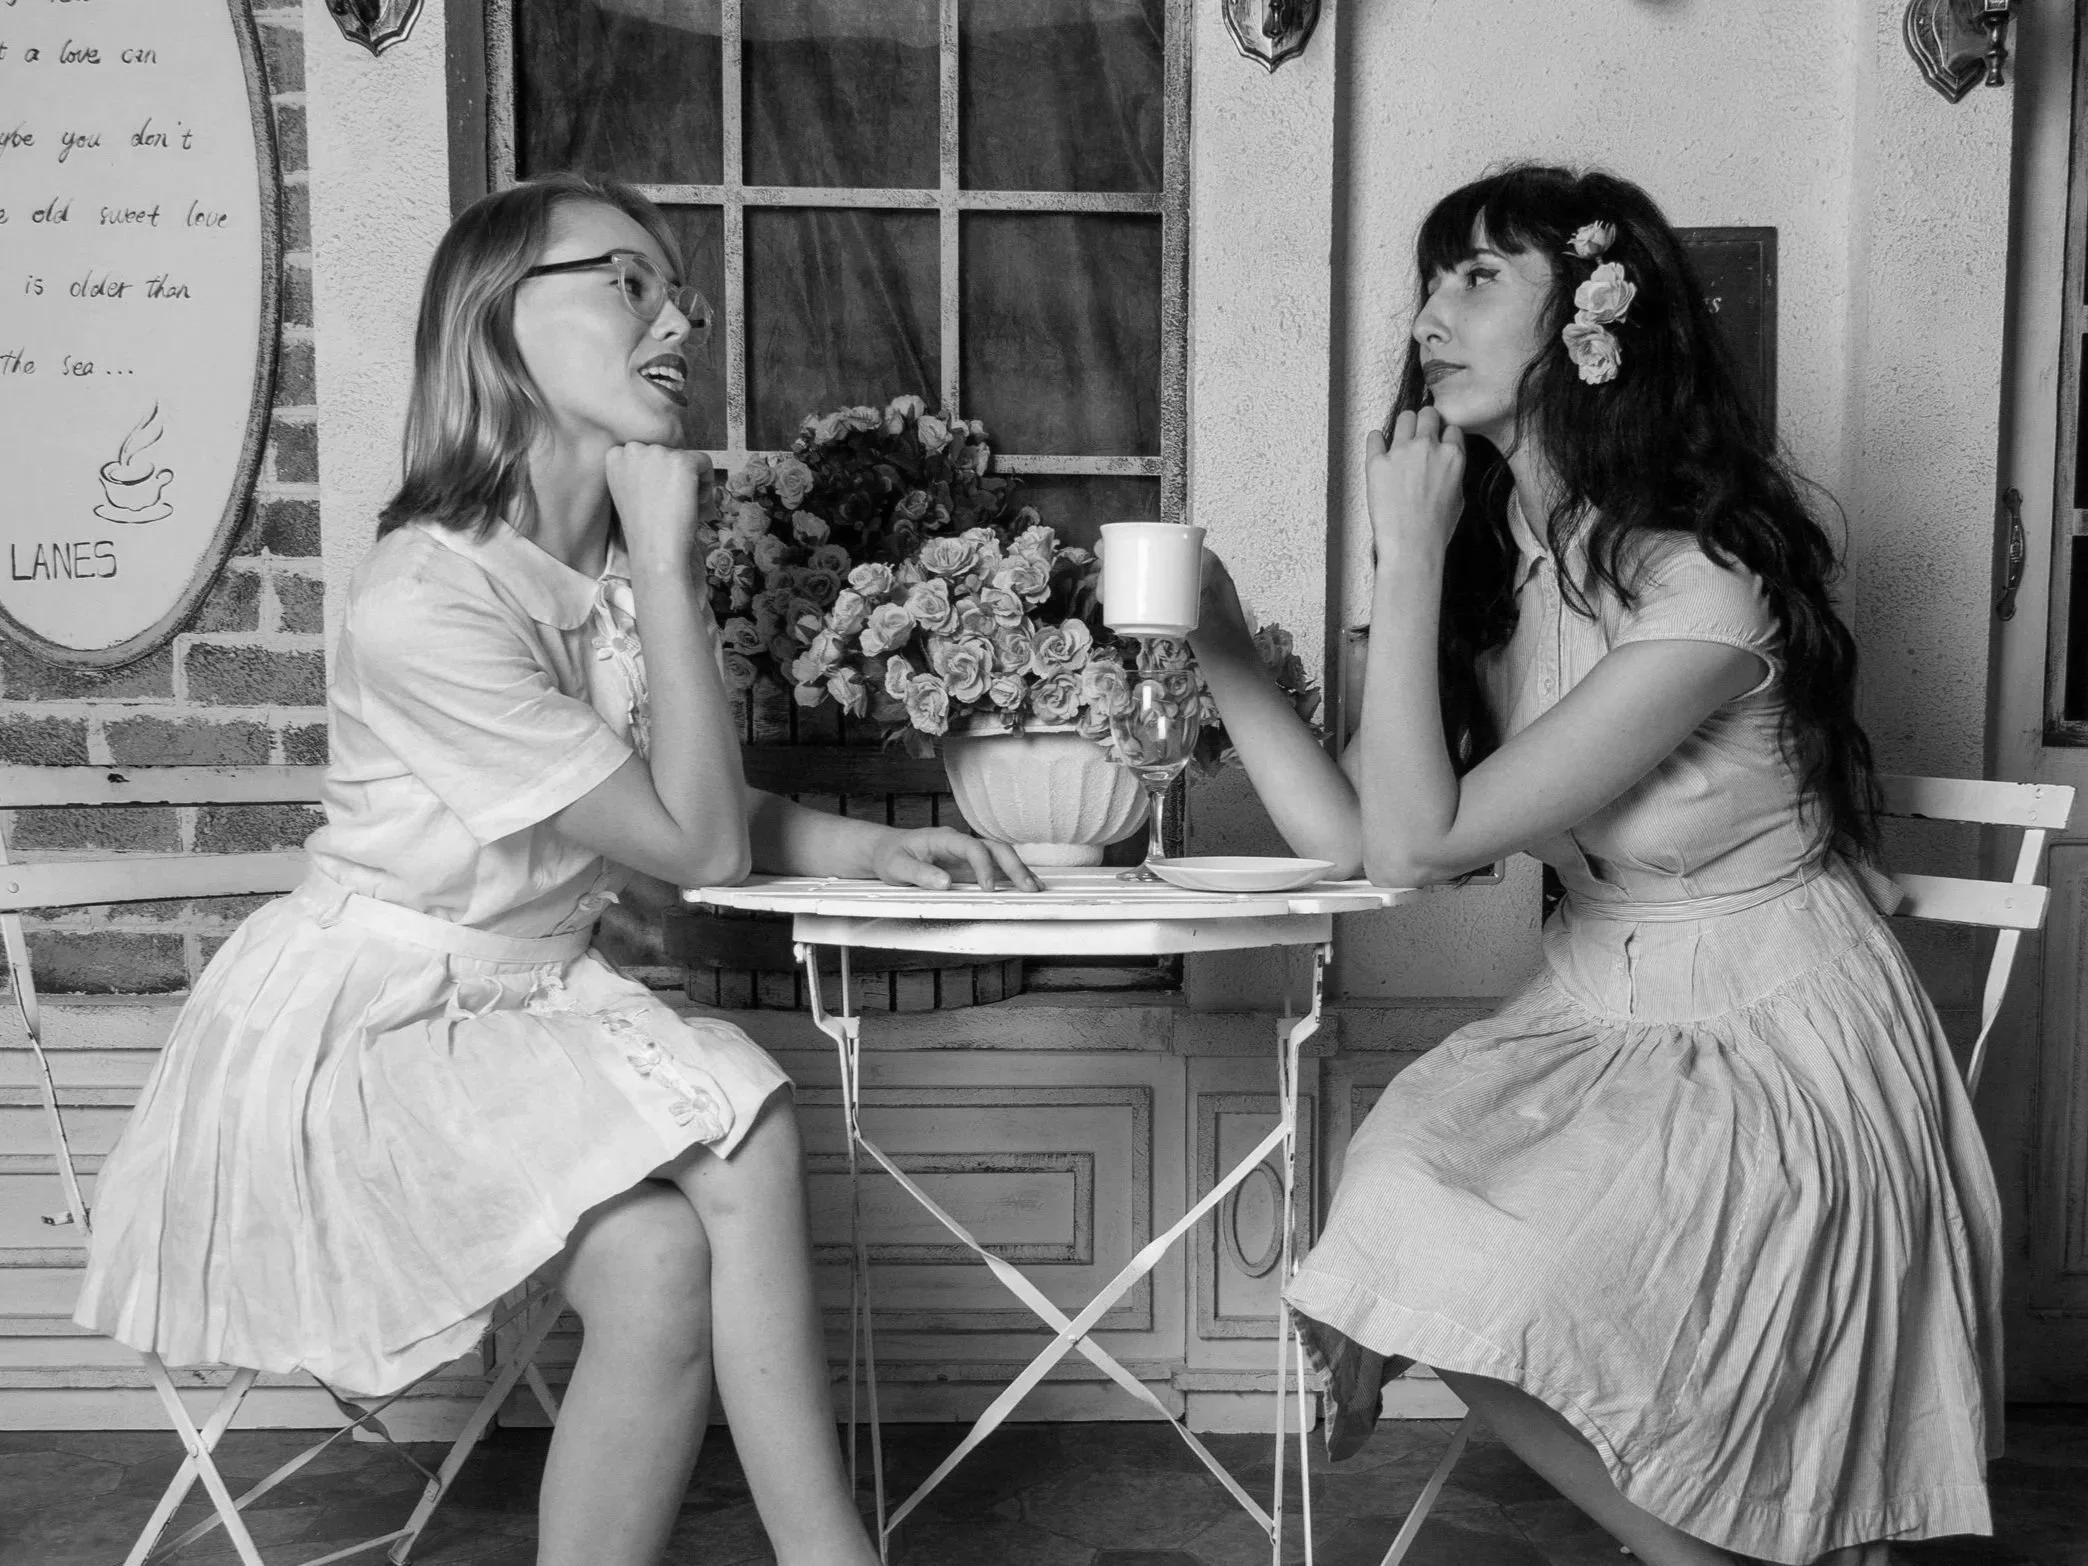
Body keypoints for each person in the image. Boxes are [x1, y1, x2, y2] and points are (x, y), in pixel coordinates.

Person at [73, 171, 1040, 1566]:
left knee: (694, 1210)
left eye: (681, 292)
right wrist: (666, 561)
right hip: (366, 1039)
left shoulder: (589, 568)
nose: (678, 319)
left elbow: (689, 813)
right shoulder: (431, 598)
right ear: (497, 325)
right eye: (626, 281)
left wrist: (871, 847)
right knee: (705, 1187)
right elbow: (692, 850)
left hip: (522, 1012)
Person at [1188, 164, 2000, 1566]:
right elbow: (1369, 841)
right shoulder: (1510, 564)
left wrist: (1402, 550)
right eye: (1431, 278)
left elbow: (1415, 838)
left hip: (1779, 1045)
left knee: (1499, 1254)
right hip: (1607, 1013)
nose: (1430, 312)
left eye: (1478, 275)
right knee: (1404, 1201)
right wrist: (1215, 639)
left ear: (1590, 324)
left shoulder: (1703, 587)